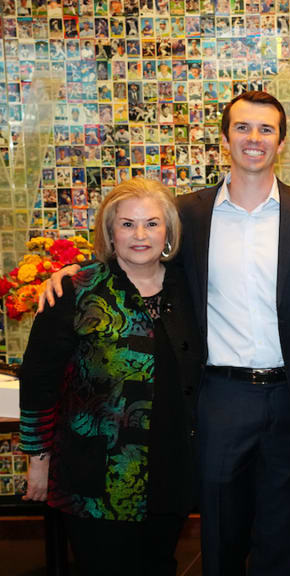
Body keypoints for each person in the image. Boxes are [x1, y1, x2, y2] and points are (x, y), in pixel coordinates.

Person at [41, 91, 290, 575]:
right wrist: (72, 272)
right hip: (218, 398)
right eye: (242, 128)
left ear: (281, 142)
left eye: (265, 130)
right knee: (218, 536)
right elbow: (137, 253)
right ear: (224, 139)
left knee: (279, 538)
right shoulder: (189, 214)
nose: (253, 139)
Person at [20, 178, 202, 576]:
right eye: (127, 224)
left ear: (168, 232)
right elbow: (38, 380)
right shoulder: (76, 289)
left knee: (159, 566)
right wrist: (38, 458)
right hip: (96, 474)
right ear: (109, 231)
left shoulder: (190, 287)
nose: (140, 235)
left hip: (171, 469)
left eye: (152, 224)